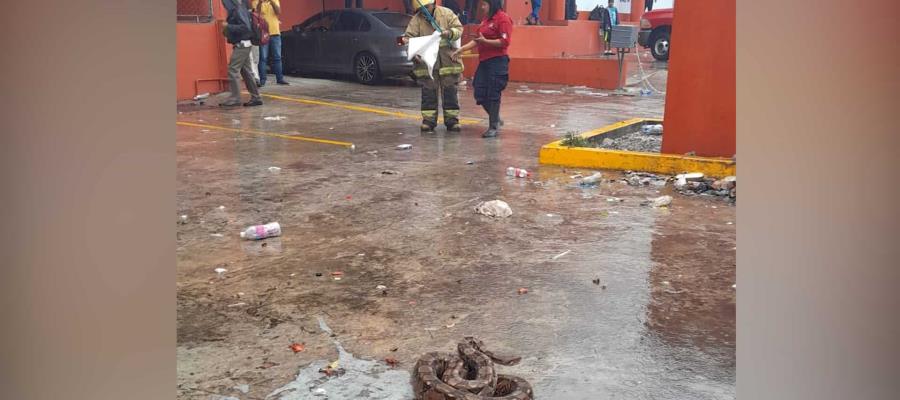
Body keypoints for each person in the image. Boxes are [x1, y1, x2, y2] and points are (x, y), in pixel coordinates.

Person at [402, 0, 464, 132]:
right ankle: (429, 121)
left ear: (433, 4)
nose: (424, 11)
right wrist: (413, 53)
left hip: (448, 62)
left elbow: (459, 29)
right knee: (428, 92)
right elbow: (407, 39)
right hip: (427, 64)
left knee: (450, 92)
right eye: (421, 9)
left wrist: (450, 33)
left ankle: (452, 121)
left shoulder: (446, 14)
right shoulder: (416, 20)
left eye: (426, 7)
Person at [452, 0, 511, 138]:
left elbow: (504, 42)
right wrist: (461, 49)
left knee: (493, 93)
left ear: (493, 4)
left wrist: (486, 42)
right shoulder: (485, 20)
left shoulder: (503, 19)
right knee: (479, 92)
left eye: (485, 4)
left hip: (497, 61)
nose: (482, 7)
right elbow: (478, 40)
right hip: (484, 61)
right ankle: (495, 117)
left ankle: (493, 126)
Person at [221, 0, 262, 107]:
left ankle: (235, 98)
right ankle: (256, 97)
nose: (224, 5)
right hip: (245, 44)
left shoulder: (237, 9)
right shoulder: (240, 7)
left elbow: (245, 27)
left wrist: (228, 26)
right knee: (246, 72)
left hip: (242, 44)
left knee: (233, 69)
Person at [252, 0, 289, 86]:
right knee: (263, 58)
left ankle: (280, 79)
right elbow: (256, 13)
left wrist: (272, 2)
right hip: (263, 33)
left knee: (277, 57)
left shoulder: (275, 0)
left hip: (275, 32)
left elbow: (278, 12)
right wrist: (261, 2)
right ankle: (262, 80)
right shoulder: (256, 1)